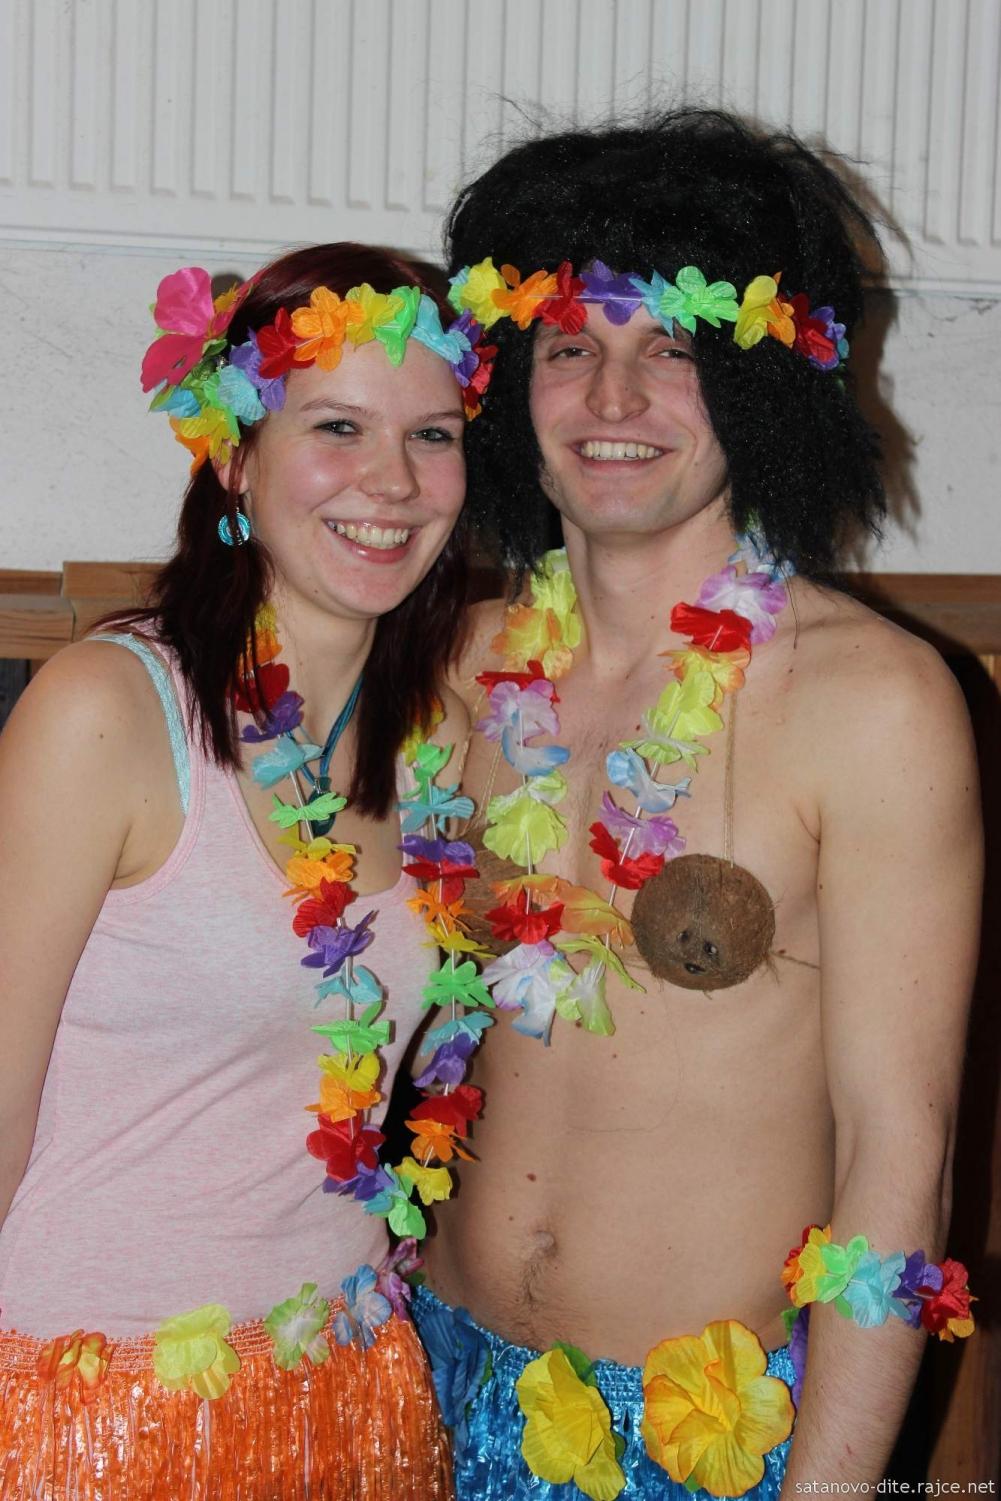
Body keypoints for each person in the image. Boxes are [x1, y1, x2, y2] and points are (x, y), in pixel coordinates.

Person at [410, 110, 983, 1500]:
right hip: (421, 1379)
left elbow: (895, 1161)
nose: (611, 400)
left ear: (756, 380)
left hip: (702, 1444)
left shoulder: (874, 702)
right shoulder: (455, 671)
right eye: (569, 347)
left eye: (670, 348)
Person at [0, 241, 496, 1498]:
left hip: (347, 1389)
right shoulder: (108, 712)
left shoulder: (440, 743)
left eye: (431, 435)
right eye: (336, 426)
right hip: (85, 1404)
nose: (393, 480)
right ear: (235, 456)